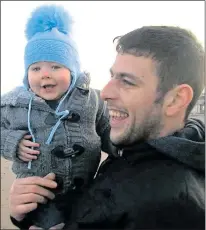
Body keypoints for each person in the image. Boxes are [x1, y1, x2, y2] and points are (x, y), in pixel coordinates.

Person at [9, 26, 205, 229]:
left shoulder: (167, 207)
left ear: (175, 99)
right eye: (112, 76)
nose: (105, 93)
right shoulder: (139, 150)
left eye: (127, 81)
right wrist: (24, 214)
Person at [1, 4, 115, 229]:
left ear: (72, 71)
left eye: (55, 66)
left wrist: (127, 151)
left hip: (85, 189)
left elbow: (109, 131)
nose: (45, 74)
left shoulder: (93, 100)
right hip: (38, 193)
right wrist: (11, 142)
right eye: (35, 69)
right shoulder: (14, 104)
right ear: (26, 75)